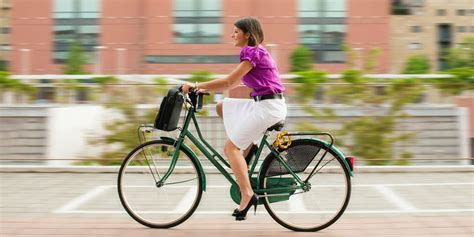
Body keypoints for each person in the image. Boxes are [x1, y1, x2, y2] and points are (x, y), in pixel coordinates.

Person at [182, 17, 287, 221]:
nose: (232, 35)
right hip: (264, 103)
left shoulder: (252, 52)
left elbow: (229, 81)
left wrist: (195, 86)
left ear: (248, 33)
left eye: (236, 31)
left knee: (230, 148)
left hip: (268, 107)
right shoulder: (253, 52)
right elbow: (235, 85)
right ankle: (246, 151)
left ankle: (247, 193)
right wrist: (205, 89)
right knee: (222, 106)